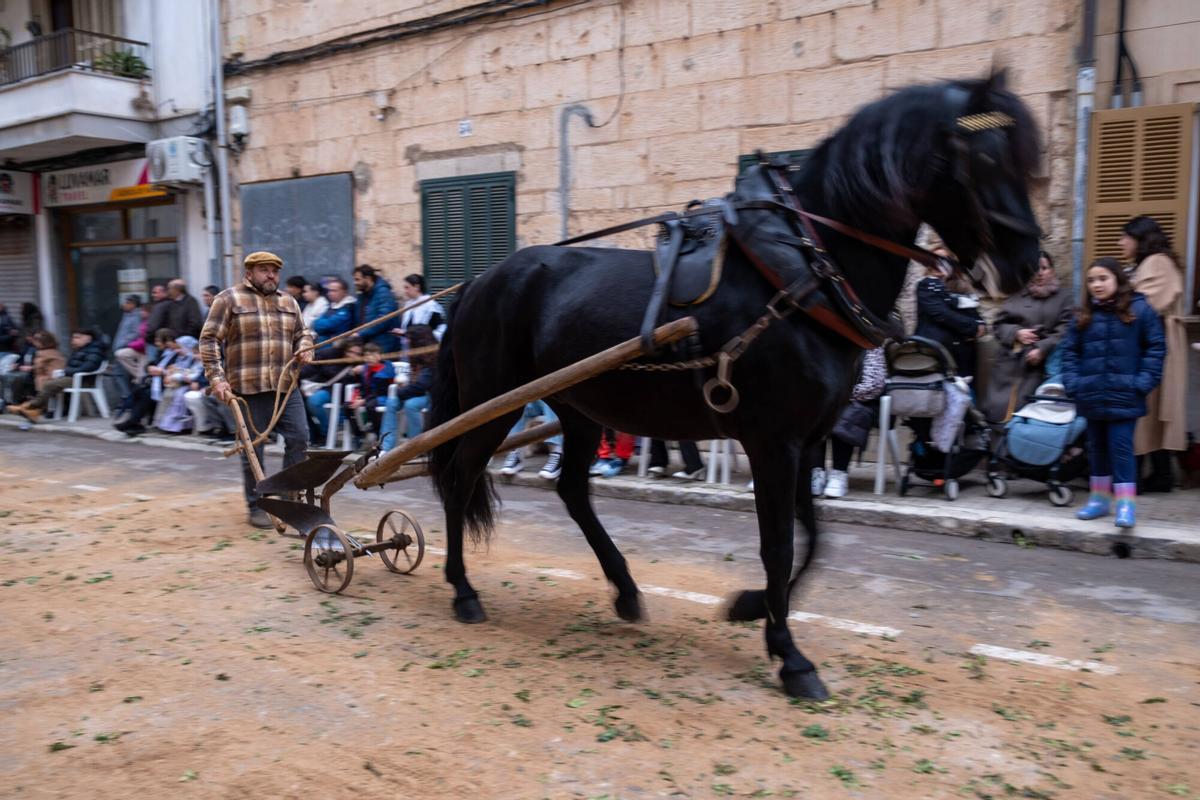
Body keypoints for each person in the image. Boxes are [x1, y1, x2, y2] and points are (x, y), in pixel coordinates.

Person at [200, 251, 314, 529]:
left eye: (275, 270)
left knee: (300, 438)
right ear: (249, 273)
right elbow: (209, 340)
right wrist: (217, 378)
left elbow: (303, 332)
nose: (271, 275)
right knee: (253, 449)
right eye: (264, 270)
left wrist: (305, 346)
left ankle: (289, 497)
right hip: (247, 389)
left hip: (285, 388)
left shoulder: (289, 301)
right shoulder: (228, 299)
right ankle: (258, 504)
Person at [1060, 258, 1164, 528]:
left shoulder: (1140, 310)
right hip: (1091, 394)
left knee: (1121, 448)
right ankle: (1099, 500)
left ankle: (1126, 505)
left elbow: (1155, 349)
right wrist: (1074, 383)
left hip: (1124, 395)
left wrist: (1140, 383)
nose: (1097, 285)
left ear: (1118, 280)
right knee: (1096, 449)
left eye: (1103, 278)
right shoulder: (1083, 315)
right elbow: (1070, 352)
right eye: (1092, 280)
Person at [1120, 216, 1189, 492]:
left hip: (1157, 347)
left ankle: (1142, 477)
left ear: (1140, 238)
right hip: (1151, 346)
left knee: (1145, 410)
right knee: (1150, 413)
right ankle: (1159, 476)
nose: (1120, 242)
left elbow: (1145, 305)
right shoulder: (1150, 263)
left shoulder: (1157, 262)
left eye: (1125, 236)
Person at [980, 251, 1073, 425]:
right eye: (1034, 268)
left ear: (1052, 270)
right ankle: (1000, 447)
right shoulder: (1017, 296)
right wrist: (1016, 333)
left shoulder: (1065, 297)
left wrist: (1042, 347)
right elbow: (998, 325)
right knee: (999, 411)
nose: (1039, 273)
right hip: (1009, 366)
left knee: (1033, 414)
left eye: (1044, 268)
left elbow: (1067, 328)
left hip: (1041, 367)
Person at [810, 346, 886, 498]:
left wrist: (840, 394)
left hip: (860, 401)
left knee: (843, 418)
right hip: (829, 398)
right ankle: (816, 473)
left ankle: (839, 474)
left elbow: (873, 385)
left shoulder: (870, 346)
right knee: (814, 415)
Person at [8, 328, 106, 423]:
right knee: (47, 383)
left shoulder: (95, 350)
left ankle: (29, 406)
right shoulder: (81, 350)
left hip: (84, 380)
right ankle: (34, 410)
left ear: (88, 338)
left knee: (49, 384)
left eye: (77, 337)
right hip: (73, 378)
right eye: (73, 338)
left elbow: (88, 367)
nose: (73, 340)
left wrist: (66, 371)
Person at [915, 258, 986, 380]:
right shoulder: (927, 284)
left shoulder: (961, 285)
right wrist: (974, 326)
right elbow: (941, 313)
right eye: (935, 260)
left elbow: (973, 311)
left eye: (943, 261)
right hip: (938, 350)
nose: (939, 265)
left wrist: (979, 324)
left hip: (962, 351)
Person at [379, 325, 439, 452]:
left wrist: (401, 392)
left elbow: (423, 384)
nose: (406, 341)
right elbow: (416, 382)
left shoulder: (432, 355)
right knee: (391, 402)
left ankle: (414, 446)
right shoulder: (414, 353)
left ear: (418, 340)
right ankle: (385, 446)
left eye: (409, 338)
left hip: (431, 393)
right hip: (415, 391)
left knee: (411, 405)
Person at [302, 337, 363, 444]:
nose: (353, 356)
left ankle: (329, 431)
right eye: (351, 352)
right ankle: (322, 433)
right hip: (330, 388)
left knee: (314, 401)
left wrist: (355, 373)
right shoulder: (333, 355)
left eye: (357, 353)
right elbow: (316, 368)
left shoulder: (361, 364)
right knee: (309, 402)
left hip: (347, 394)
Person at [498, 401, 563, 480]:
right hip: (536, 400)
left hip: (559, 400)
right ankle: (515, 453)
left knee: (552, 401)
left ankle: (557, 454)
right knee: (517, 402)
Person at [0, 330, 63, 410]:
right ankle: (11, 402)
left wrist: (31, 368)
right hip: (40, 375)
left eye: (36, 340)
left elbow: (40, 367)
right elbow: (24, 359)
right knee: (9, 377)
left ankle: (21, 403)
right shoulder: (37, 349)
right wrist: (18, 365)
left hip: (45, 376)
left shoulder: (45, 353)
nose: (33, 341)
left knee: (18, 378)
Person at [353, 264, 400, 353]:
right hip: (370, 343)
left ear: (368, 278)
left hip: (384, 345)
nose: (355, 283)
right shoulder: (362, 295)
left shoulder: (383, 293)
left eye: (357, 279)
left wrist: (360, 333)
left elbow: (384, 319)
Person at [392, 273, 446, 342]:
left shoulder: (431, 306)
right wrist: (403, 332)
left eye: (407, 287)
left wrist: (425, 338)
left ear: (417, 287)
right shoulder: (408, 305)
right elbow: (410, 328)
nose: (405, 291)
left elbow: (441, 329)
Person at [311, 278, 357, 351]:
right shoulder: (332, 306)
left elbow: (329, 325)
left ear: (344, 292)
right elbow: (315, 324)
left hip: (335, 348)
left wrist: (319, 324)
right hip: (323, 346)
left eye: (334, 291)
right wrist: (318, 324)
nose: (329, 293)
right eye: (329, 290)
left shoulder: (348, 308)